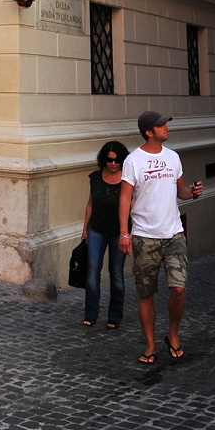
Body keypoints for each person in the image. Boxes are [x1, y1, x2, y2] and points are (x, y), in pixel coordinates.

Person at [118, 111, 203, 365]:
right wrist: (125, 232)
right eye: (161, 125)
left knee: (178, 289)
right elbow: (124, 198)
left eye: (165, 124)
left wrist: (192, 192)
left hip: (174, 233)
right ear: (149, 132)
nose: (166, 127)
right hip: (145, 237)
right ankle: (150, 343)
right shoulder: (133, 161)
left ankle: (172, 334)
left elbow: (181, 192)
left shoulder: (173, 157)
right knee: (146, 294)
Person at [81, 140, 129, 328]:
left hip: (119, 232)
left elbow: (133, 206)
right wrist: (85, 228)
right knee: (92, 270)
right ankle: (91, 314)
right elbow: (90, 204)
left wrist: (129, 233)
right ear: (104, 160)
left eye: (117, 160)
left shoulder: (127, 180)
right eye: (110, 160)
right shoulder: (95, 178)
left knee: (116, 273)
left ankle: (115, 316)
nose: (113, 163)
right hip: (96, 229)